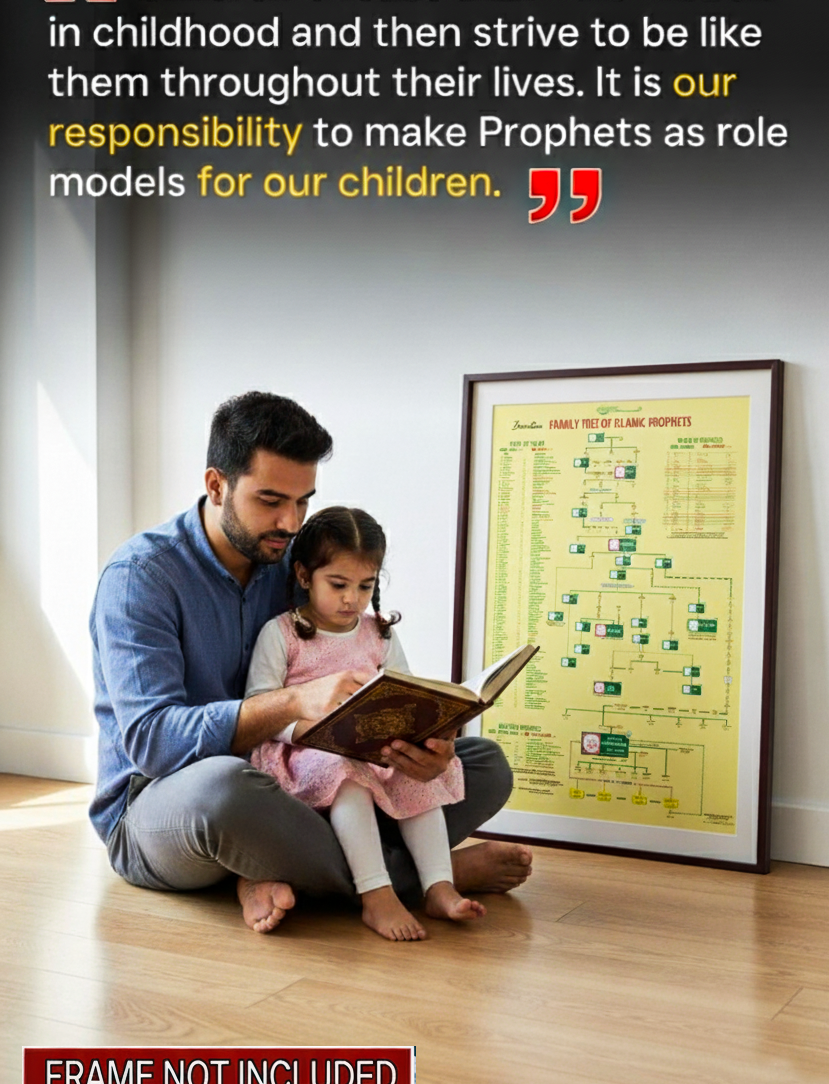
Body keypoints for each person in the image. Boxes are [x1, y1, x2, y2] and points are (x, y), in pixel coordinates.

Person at [90, 391, 532, 932]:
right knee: (226, 789)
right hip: (165, 802)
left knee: (480, 762)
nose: (290, 520)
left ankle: (280, 873)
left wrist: (425, 746)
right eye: (271, 500)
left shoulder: (293, 564)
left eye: (302, 502)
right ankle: (425, 877)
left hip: (301, 784)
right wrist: (295, 701)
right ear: (216, 485)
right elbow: (153, 742)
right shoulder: (141, 578)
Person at [246, 505, 486, 941]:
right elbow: (261, 704)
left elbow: (409, 692)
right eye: (337, 584)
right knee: (345, 774)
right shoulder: (281, 633)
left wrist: (432, 731)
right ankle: (376, 894)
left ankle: (439, 884)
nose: (350, 599)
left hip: (373, 750)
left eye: (364, 585)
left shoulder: (379, 632)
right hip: (304, 754)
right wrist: (303, 729)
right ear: (304, 576)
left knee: (417, 774)